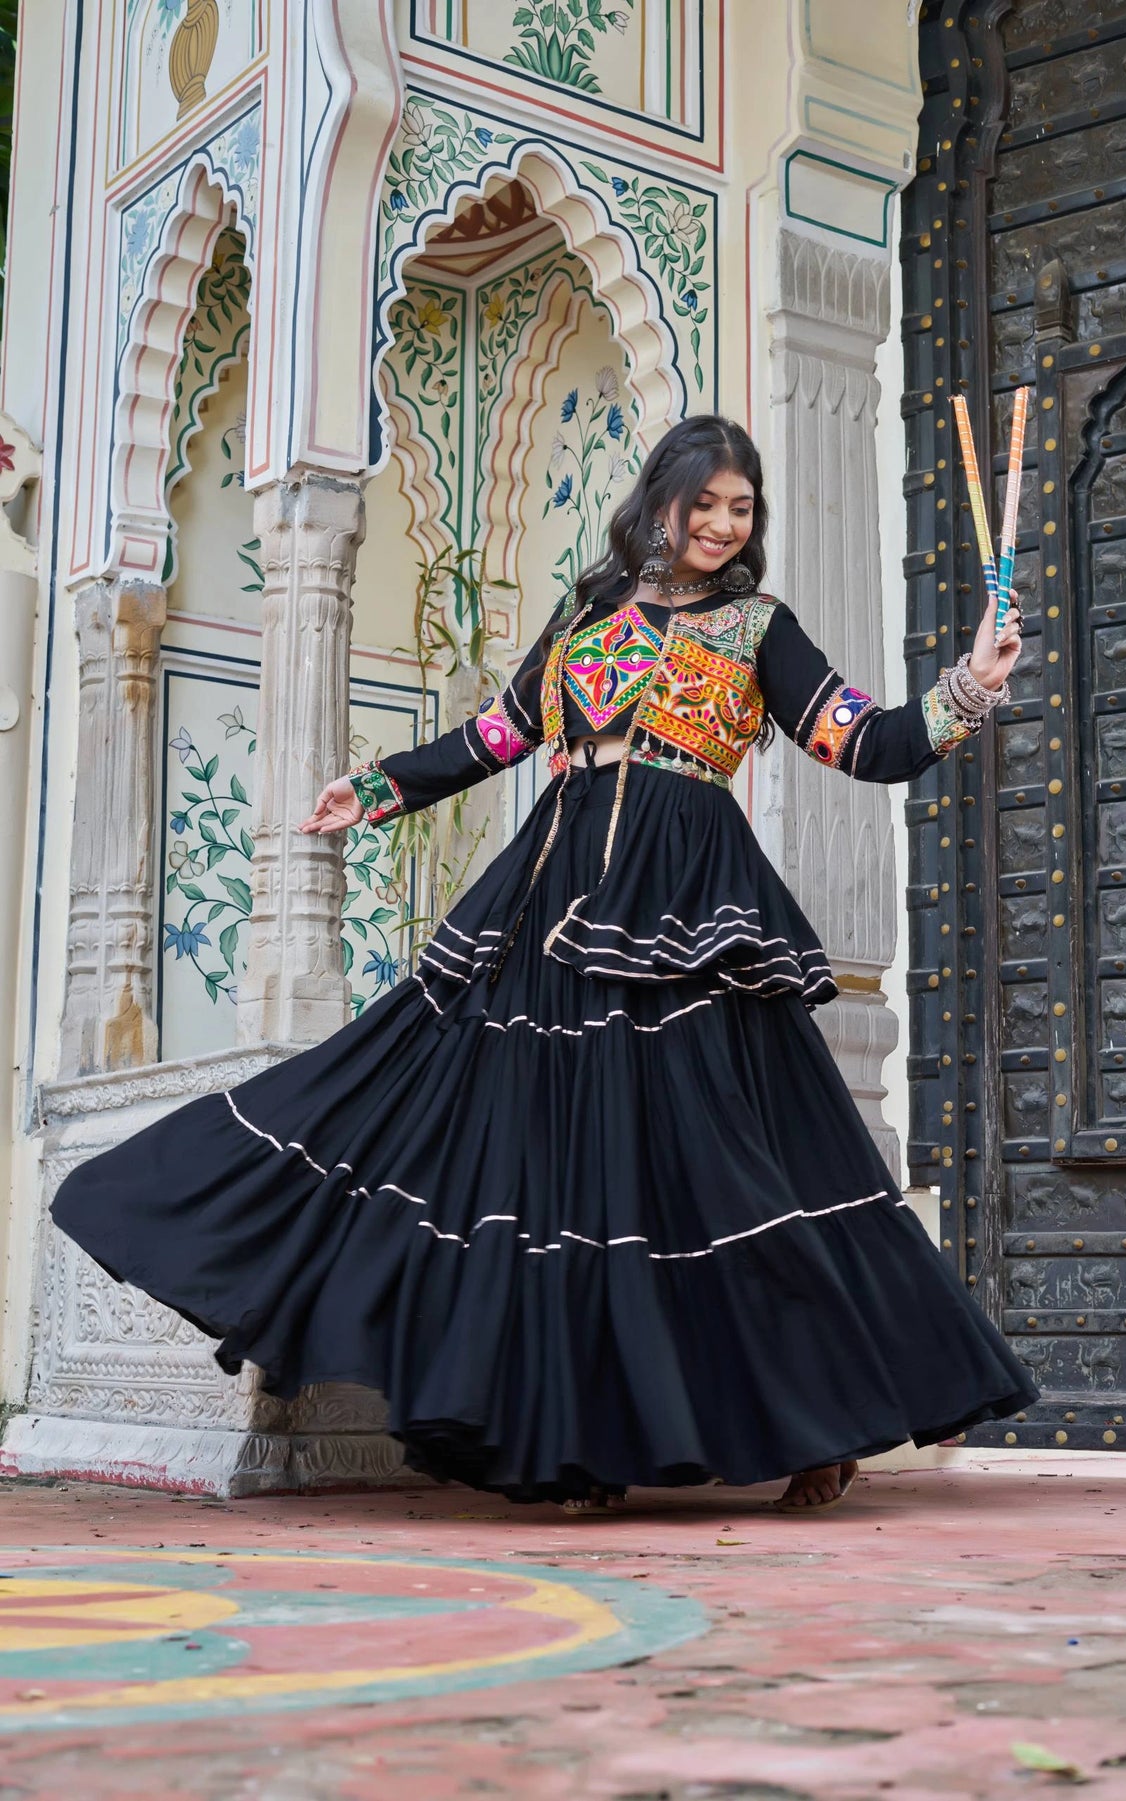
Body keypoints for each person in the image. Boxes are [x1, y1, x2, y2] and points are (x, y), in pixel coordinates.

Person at [52, 414, 1036, 1511]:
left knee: (733, 1172)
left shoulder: (762, 627)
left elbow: (863, 741)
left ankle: (823, 1424)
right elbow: (501, 733)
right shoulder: (586, 613)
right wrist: (378, 788)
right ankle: (584, 1438)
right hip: (557, 893)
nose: (719, 524)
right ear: (659, 503)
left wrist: (971, 686)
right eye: (703, 502)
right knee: (563, 1172)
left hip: (689, 906)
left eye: (740, 507)